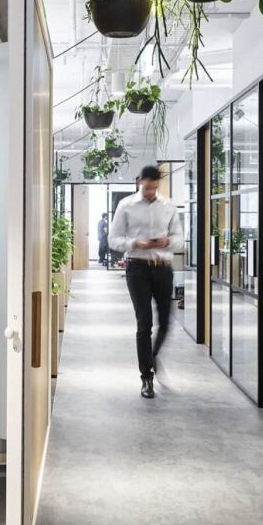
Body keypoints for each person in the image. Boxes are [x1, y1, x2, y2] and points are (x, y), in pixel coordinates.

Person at [108, 165, 184, 399]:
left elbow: (180, 241)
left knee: (166, 322)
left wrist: (167, 241)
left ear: (158, 184)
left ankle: (152, 356)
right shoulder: (126, 206)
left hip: (163, 268)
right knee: (144, 323)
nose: (150, 191)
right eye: (146, 186)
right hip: (137, 268)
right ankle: (146, 377)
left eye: (154, 187)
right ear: (139, 181)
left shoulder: (168, 206)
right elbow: (114, 240)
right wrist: (135, 244)